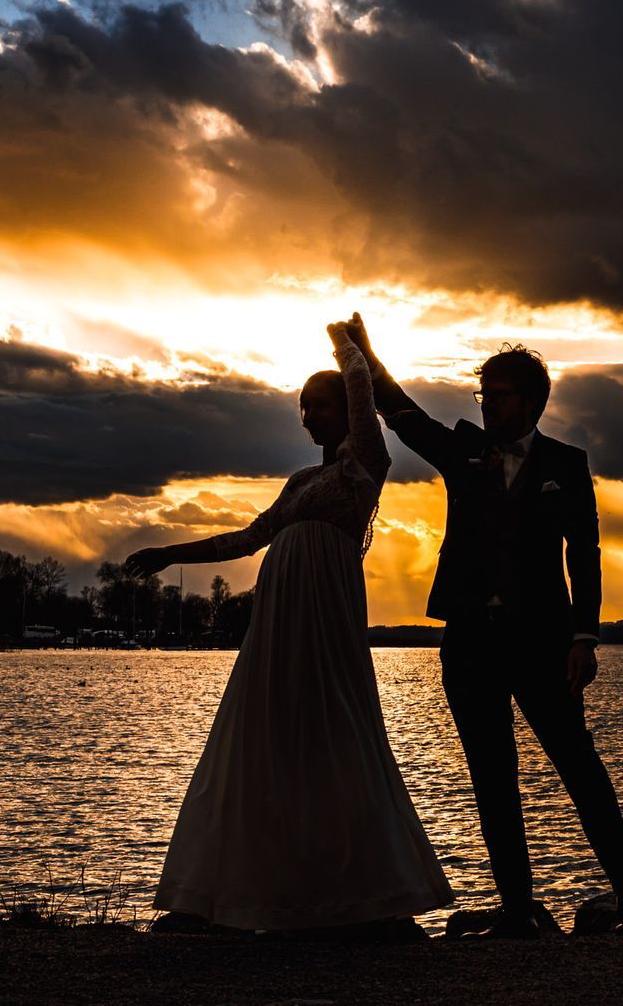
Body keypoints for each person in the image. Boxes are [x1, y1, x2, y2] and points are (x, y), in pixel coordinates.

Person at [124, 321, 452, 933]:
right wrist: (174, 551)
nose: (307, 417)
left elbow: (361, 392)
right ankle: (227, 897)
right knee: (260, 735)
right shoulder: (300, 483)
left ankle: (370, 901)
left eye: (317, 405)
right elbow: (248, 540)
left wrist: (350, 349)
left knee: (336, 732)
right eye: (302, 408)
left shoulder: (366, 464)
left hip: (325, 619)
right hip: (278, 624)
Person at [343, 314, 623, 937]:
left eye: (497, 395)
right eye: (482, 394)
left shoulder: (567, 463)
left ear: (531, 401)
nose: (486, 405)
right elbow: (403, 416)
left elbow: (583, 555)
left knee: (578, 766)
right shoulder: (464, 451)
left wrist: (584, 638)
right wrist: (365, 359)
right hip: (470, 643)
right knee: (491, 773)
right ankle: (518, 911)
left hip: (544, 643)